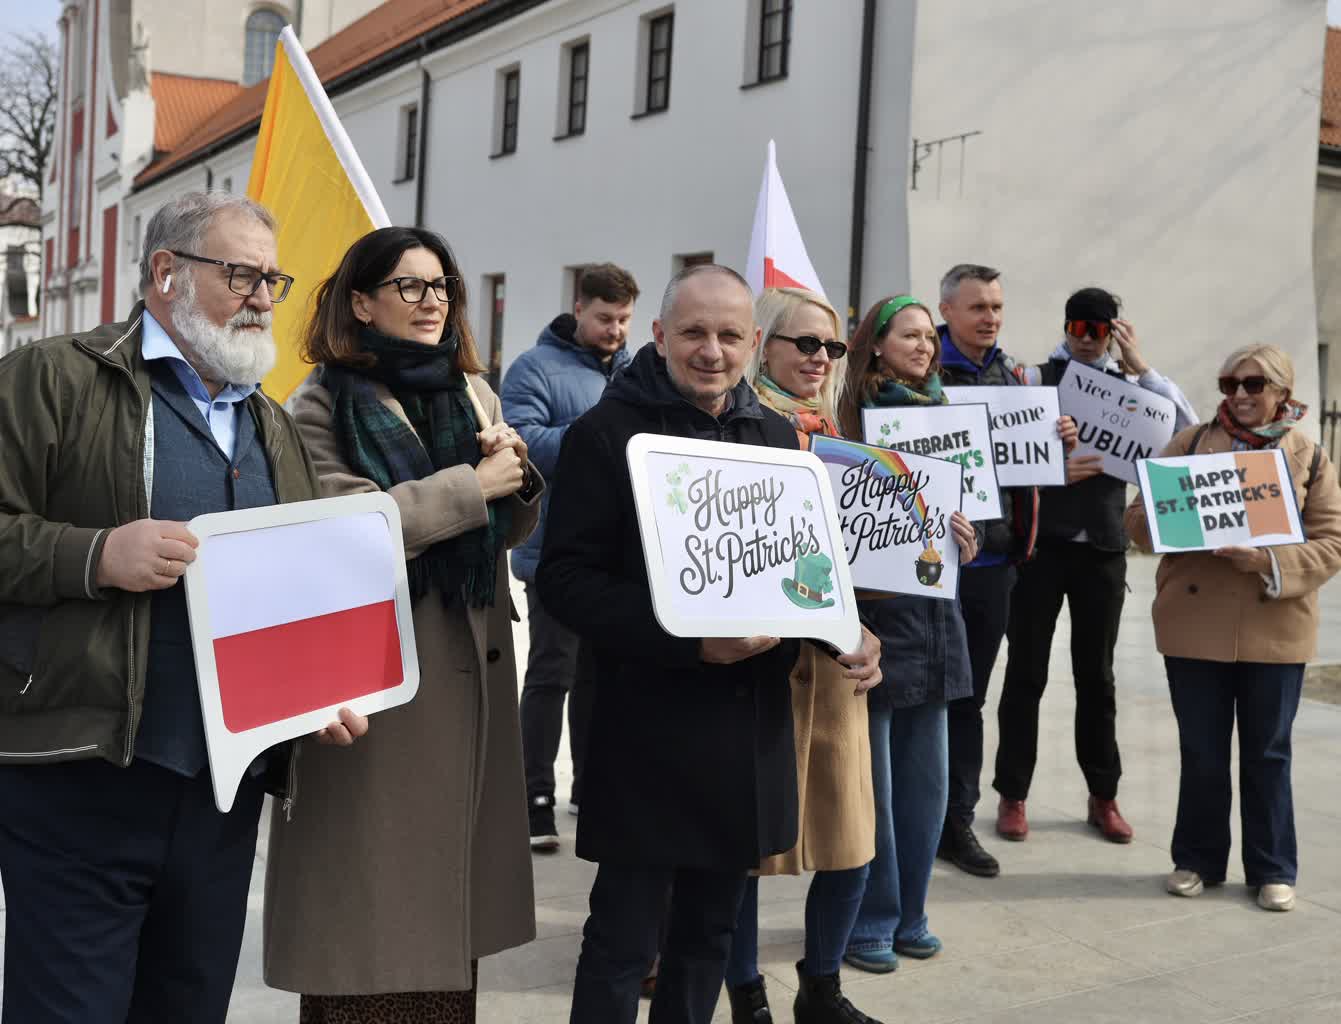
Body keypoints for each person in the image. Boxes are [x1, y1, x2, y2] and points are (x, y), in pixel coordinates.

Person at [0, 191, 367, 1024]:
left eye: (273, 279)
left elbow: (291, 589)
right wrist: (95, 555)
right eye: (241, 275)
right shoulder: (53, 378)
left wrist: (314, 692)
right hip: (78, 780)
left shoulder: (272, 425)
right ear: (165, 272)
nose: (264, 298)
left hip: (220, 797)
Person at [537, 264, 881, 1024]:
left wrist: (846, 632)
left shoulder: (776, 438)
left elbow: (801, 570)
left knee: (707, 938)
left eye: (729, 335)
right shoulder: (605, 434)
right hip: (645, 727)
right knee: (623, 940)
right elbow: (564, 581)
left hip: (745, 731)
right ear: (660, 336)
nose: (711, 351)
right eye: (693, 332)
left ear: (752, 342)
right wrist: (687, 642)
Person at [262, 226, 542, 1021]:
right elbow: (344, 528)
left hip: (467, 675)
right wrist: (474, 485)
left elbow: (500, 533)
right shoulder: (319, 404)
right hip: (374, 691)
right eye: (409, 286)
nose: (432, 302)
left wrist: (518, 479)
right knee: (370, 918)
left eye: (441, 286)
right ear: (361, 302)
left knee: (447, 920)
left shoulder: (471, 391)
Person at [1125, 343, 1341, 913]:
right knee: (1202, 751)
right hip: (1195, 625)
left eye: (1254, 385)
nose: (1240, 395)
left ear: (1282, 392)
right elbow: (1137, 521)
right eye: (1230, 384)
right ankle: (1197, 859)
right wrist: (1171, 517)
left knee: (1268, 753)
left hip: (1276, 626)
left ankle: (1272, 868)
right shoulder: (1191, 443)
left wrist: (1267, 561)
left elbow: (1332, 541)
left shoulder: (1309, 454)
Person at [725, 286, 883, 1024]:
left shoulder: (843, 435)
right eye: (806, 343)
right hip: (760, 667)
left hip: (838, 668)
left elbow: (867, 554)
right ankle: (746, 995)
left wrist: (936, 538)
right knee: (746, 851)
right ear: (765, 345)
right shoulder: (737, 427)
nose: (821, 357)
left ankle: (821, 990)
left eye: (832, 346)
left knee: (852, 841)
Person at [994, 287, 1198, 845]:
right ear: (1066, 327)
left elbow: (1187, 434)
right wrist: (1050, 459)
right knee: (1026, 673)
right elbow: (1005, 449)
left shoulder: (1136, 389)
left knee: (1098, 679)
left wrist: (1144, 368)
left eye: (1098, 329)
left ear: (1115, 332)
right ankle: (1013, 793)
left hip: (1103, 551)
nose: (1086, 338)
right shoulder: (1035, 381)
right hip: (1040, 548)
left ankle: (1103, 795)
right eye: (1078, 327)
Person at [835, 295, 979, 977]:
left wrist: (968, 539)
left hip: (938, 625)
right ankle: (870, 918)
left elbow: (975, 522)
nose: (924, 346)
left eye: (929, 337)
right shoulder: (849, 423)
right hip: (879, 629)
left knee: (926, 791)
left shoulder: (951, 419)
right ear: (875, 343)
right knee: (878, 794)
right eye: (909, 335)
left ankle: (912, 914)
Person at [932, 264, 1076, 878]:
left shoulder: (1017, 378)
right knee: (918, 701)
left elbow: (1028, 466)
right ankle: (907, 817)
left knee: (968, 699)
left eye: (996, 306)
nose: (990, 317)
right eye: (977, 307)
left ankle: (956, 821)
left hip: (992, 564)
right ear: (947, 311)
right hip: (929, 565)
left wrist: (1056, 438)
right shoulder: (921, 372)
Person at [501, 262, 638, 851]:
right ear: (578, 308)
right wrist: (604, 433)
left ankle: (588, 787)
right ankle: (535, 797)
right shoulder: (534, 368)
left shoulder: (634, 370)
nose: (615, 330)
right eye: (605, 318)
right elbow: (523, 446)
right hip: (552, 551)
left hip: (617, 556)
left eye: (624, 319)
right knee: (551, 673)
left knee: (596, 676)